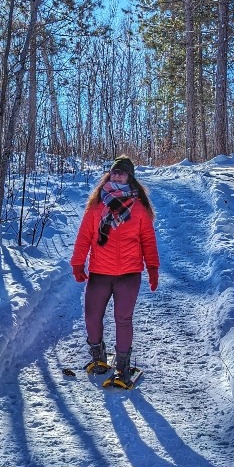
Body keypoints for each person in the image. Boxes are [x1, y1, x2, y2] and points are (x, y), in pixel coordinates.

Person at [70, 156, 160, 383]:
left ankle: (123, 366)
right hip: (100, 272)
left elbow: (148, 241)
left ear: (130, 177)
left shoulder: (139, 208)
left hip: (129, 274)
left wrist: (153, 268)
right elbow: (84, 237)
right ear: (109, 174)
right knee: (92, 316)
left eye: (123, 172)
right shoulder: (96, 206)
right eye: (115, 172)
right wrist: (78, 263)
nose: (118, 175)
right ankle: (98, 357)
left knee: (123, 318)